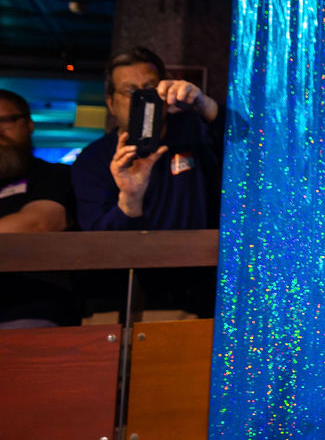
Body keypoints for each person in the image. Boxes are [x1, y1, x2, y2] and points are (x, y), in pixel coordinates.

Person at [72, 46, 221, 231]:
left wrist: (205, 104)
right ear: (111, 104)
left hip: (199, 248)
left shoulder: (194, 129)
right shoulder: (93, 160)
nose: (143, 99)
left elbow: (244, 148)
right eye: (130, 91)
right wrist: (130, 200)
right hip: (134, 251)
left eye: (150, 88)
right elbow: (98, 238)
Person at [0, 89, 79, 328]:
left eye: (6, 121)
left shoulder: (53, 175)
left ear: (29, 124)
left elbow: (39, 224)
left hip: (31, 308)